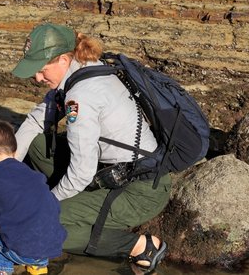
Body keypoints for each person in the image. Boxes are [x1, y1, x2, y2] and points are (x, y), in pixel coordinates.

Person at [11, 23, 170, 272]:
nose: (37, 78)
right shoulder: (85, 70)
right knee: (36, 143)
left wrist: (46, 203)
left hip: (138, 191)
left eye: (41, 70)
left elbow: (80, 174)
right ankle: (64, 202)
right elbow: (34, 121)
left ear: (63, 59)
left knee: (36, 224)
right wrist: (5, 172)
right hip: (110, 170)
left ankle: (140, 246)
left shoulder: (80, 96)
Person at [0, 119, 66, 275]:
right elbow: (53, 205)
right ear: (14, 152)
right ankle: (38, 266)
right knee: (38, 208)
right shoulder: (31, 173)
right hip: (50, 248)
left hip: (20, 251)